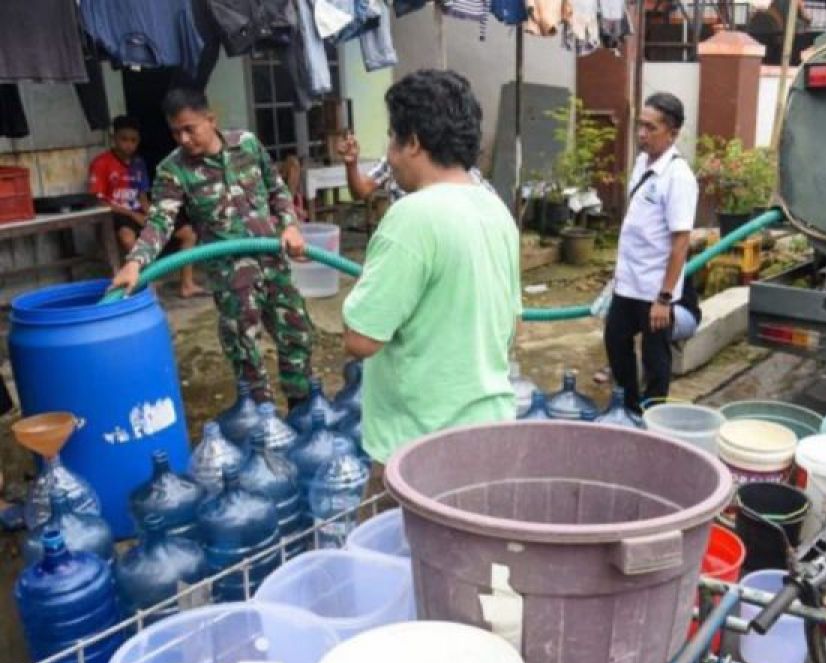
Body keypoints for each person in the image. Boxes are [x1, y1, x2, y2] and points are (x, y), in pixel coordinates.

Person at [342, 70, 520, 495]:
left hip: (419, 453)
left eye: (391, 138)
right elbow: (514, 327)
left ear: (415, 142)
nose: (390, 153)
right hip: (490, 436)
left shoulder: (412, 217)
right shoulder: (497, 211)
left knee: (401, 560)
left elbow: (361, 338)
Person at [110, 88, 314, 406]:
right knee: (244, 346)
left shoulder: (246, 144)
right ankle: (262, 420)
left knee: (297, 333)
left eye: (189, 128)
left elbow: (276, 188)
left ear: (210, 119)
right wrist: (137, 261)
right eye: (175, 132)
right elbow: (160, 221)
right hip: (231, 274)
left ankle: (303, 409)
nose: (183, 139)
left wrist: (289, 224)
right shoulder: (172, 169)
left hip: (273, 259)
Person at [604, 92, 698, 411]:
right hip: (628, 282)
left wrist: (665, 298)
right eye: (640, 126)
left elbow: (681, 242)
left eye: (651, 128)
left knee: (656, 361)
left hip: (654, 291)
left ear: (672, 134)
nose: (642, 134)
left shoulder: (678, 177)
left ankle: (655, 417)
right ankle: (629, 408)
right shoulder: (644, 162)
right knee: (616, 342)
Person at [88, 115, 203, 298]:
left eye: (133, 140)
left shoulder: (138, 163)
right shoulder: (101, 163)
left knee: (189, 234)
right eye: (123, 139)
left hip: (138, 212)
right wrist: (133, 215)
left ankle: (187, 284)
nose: (128, 145)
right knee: (127, 238)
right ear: (113, 138)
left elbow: (142, 196)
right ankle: (147, 284)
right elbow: (99, 202)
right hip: (116, 213)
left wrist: (153, 215)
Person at [336, 129, 491, 203]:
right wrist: (351, 164)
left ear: (413, 143)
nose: (389, 145)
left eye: (392, 137)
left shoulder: (474, 185)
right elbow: (360, 191)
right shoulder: (394, 161)